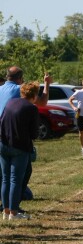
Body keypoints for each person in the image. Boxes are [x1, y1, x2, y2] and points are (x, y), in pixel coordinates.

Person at [0, 67, 51, 214]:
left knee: (4, 175)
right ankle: (13, 206)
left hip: (2, 133)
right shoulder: (19, 89)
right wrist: (46, 84)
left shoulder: (0, 89)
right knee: (20, 174)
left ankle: (6, 206)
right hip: (16, 137)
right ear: (20, 78)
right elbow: (41, 103)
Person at [0, 82, 40, 220]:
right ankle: (14, 212)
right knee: (15, 180)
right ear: (34, 95)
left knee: (5, 179)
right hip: (20, 147)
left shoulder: (10, 103)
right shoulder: (32, 108)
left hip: (3, 144)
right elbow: (34, 133)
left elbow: (2, 121)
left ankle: (5, 211)